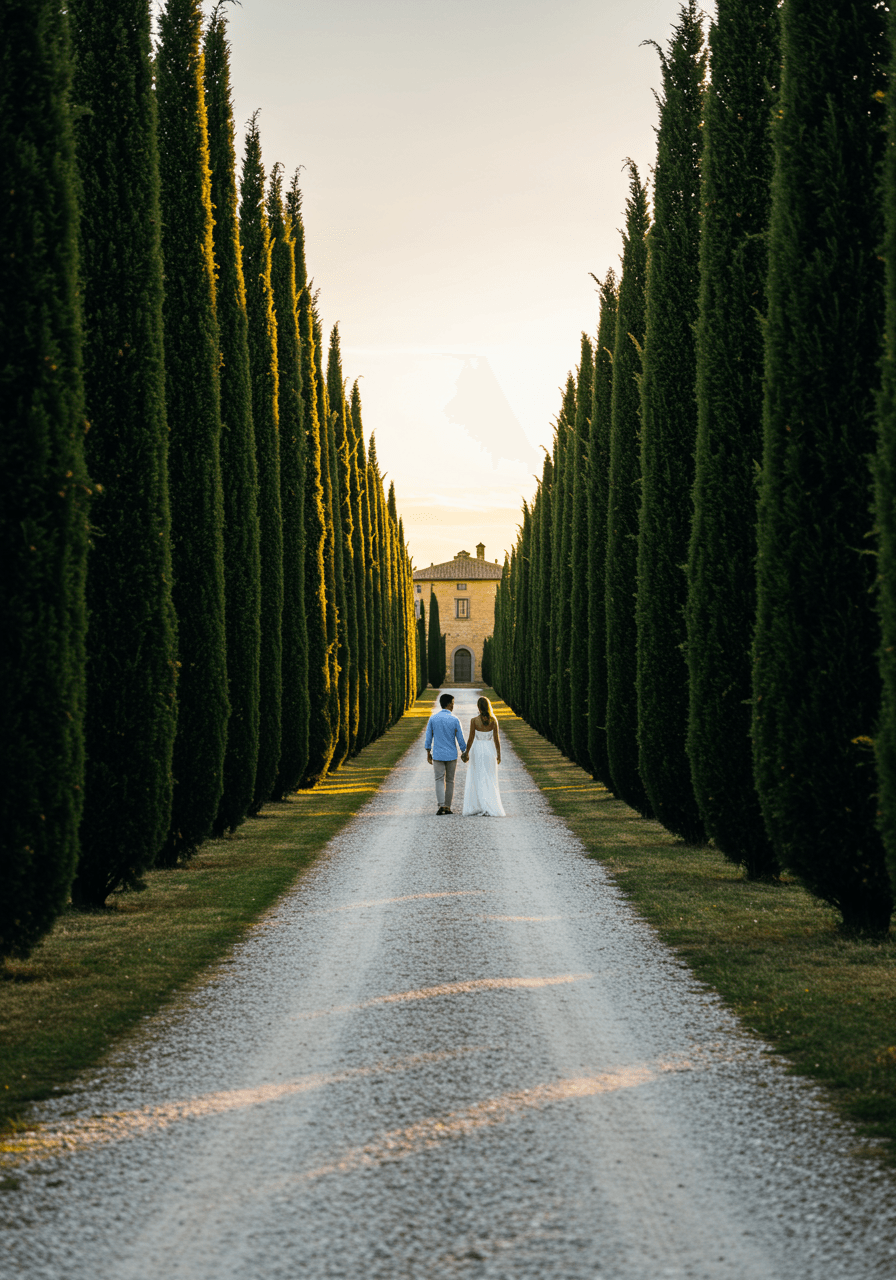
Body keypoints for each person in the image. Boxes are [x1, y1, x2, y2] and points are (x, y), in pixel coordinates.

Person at [461, 696, 505, 817]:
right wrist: (499, 754)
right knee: (489, 777)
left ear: (478, 707)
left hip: (477, 750)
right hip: (489, 751)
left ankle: (479, 805)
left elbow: (470, 739)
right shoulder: (493, 721)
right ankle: (489, 805)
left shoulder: (474, 720)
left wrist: (466, 752)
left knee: (478, 777)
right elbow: (496, 740)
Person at [425, 692, 467, 815]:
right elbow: (460, 739)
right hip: (451, 755)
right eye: (453, 703)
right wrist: (464, 751)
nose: (453, 706)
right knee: (450, 780)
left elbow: (428, 738)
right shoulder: (454, 719)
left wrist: (428, 752)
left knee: (438, 779)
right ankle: (448, 806)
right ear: (449, 704)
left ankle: (441, 805)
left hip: (438, 754)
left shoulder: (433, 718)